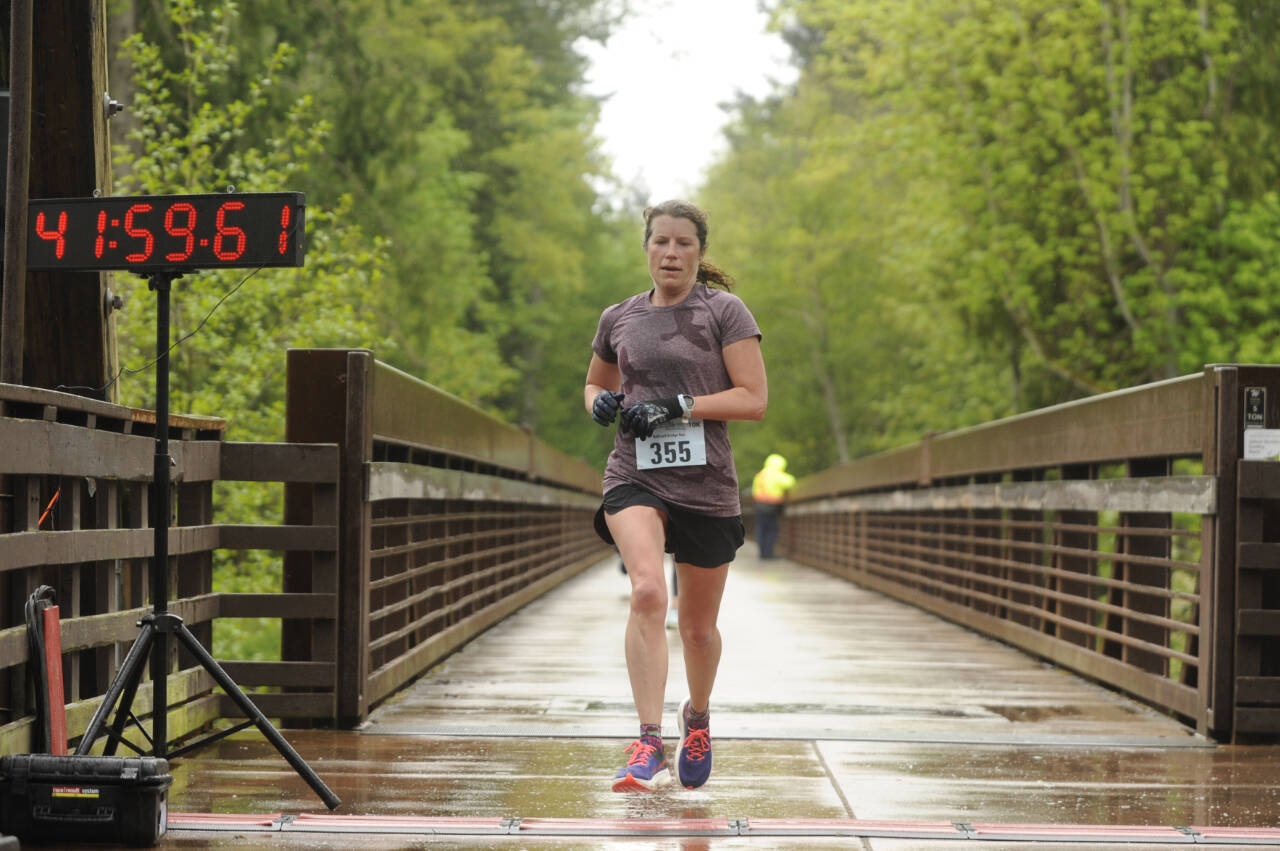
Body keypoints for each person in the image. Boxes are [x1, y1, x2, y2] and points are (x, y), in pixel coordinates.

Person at [585, 200, 766, 793]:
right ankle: (647, 741)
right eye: (660, 241)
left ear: (699, 252)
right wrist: (599, 403)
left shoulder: (724, 311)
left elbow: (753, 399)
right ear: (646, 247)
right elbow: (595, 382)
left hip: (707, 483)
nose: (671, 253)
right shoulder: (619, 317)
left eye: (683, 243)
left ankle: (698, 718)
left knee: (697, 630)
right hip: (634, 473)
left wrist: (678, 406)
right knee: (646, 591)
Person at [751, 454, 795, 559]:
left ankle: (763, 552)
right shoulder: (775, 474)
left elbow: (754, 491)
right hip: (771, 507)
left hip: (759, 506)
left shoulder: (760, 475)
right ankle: (768, 553)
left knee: (761, 529)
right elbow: (790, 482)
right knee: (771, 530)